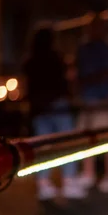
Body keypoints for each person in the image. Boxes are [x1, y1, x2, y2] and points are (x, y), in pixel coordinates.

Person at [23, 26, 86, 200]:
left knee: (43, 147)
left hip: (40, 109)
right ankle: (69, 181)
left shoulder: (31, 61)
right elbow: (64, 82)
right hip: (59, 106)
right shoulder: (56, 58)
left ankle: (43, 184)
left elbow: (29, 87)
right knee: (66, 144)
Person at [76, 15, 108, 193]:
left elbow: (106, 73)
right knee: (87, 140)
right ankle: (89, 173)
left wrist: (87, 81)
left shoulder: (105, 49)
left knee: (107, 141)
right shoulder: (85, 49)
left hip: (101, 100)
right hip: (88, 100)